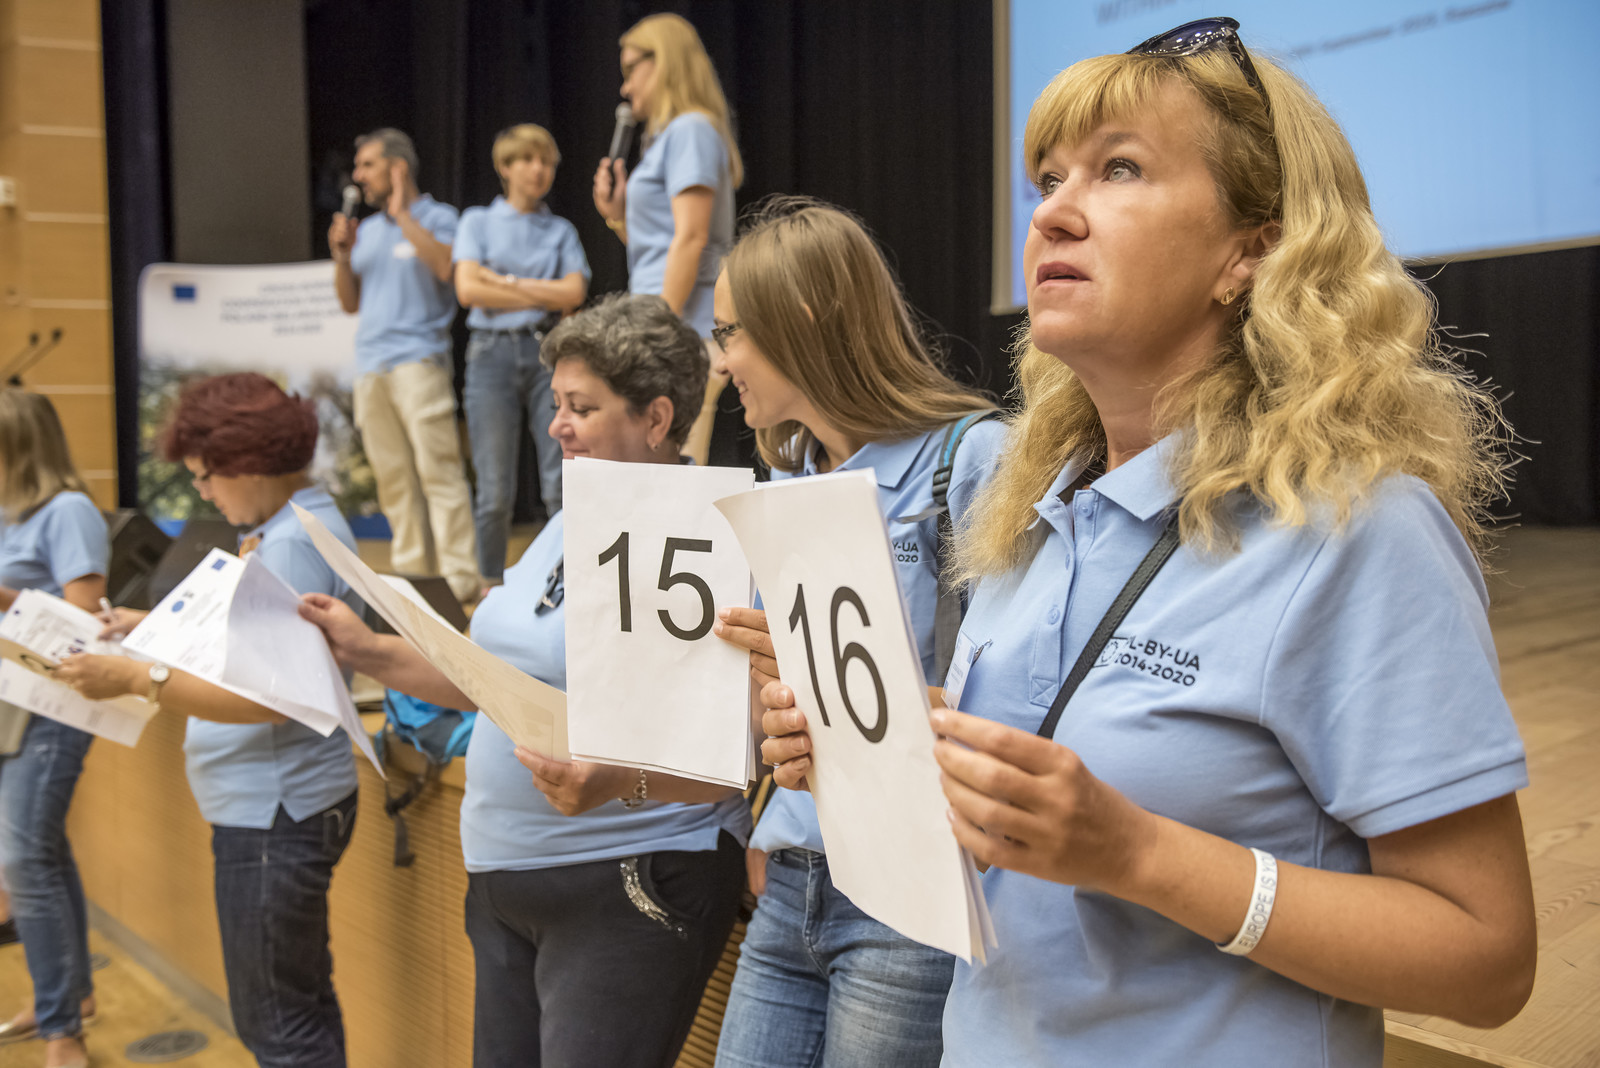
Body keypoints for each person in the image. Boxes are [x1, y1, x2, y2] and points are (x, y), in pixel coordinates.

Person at [758, 19, 1537, 1066]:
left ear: (1250, 252)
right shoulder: (1034, 517)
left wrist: (1139, 855)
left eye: (1119, 169)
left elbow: (1486, 959)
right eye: (1048, 180)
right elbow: (1028, 839)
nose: (1053, 212)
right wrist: (879, 750)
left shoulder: (1357, 529)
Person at [298, 293, 749, 1068]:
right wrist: (367, 650)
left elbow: (735, 754)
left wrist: (622, 784)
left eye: (582, 407)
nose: (556, 425)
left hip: (630, 879)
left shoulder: (709, 533)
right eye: (556, 404)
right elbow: (494, 685)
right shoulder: (565, 520)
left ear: (656, 418)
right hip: (503, 881)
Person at [706, 200, 1003, 1068]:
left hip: (909, 888)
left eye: (729, 333)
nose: (720, 362)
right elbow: (789, 705)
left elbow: (1022, 703)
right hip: (789, 877)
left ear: (801, 318)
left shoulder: (973, 459)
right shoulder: (787, 477)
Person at [55, 373, 360, 1068]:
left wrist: (138, 678)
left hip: (275, 811)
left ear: (247, 463)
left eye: (205, 475)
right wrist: (145, 624)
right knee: (298, 1007)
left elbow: (277, 697)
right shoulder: (290, 525)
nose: (202, 492)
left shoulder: (290, 544)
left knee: (277, 1027)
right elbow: (248, 644)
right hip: (276, 805)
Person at [0, 389, 106, 1068]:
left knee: (25, 859)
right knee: (40, 852)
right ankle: (67, 998)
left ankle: (62, 1030)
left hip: (49, 709)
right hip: (9, 706)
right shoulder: (8, 513)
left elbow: (84, 624)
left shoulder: (68, 512)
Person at [329, 126, 480, 602]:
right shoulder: (367, 232)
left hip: (419, 361)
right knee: (393, 478)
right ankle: (414, 575)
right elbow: (349, 303)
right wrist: (341, 258)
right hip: (370, 366)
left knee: (439, 470)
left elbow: (447, 268)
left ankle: (460, 577)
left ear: (398, 168)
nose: (358, 177)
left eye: (367, 165)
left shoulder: (441, 217)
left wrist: (404, 217)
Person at [592, 12, 742, 466]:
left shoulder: (691, 129)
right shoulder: (671, 137)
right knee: (660, 470)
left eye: (630, 69)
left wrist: (656, 334)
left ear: (663, 61)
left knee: (677, 472)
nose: (625, 88)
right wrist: (617, 218)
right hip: (671, 323)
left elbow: (692, 238)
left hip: (683, 331)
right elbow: (660, 247)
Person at [454, 123, 590, 585]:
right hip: (489, 355)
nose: (539, 170)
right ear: (505, 167)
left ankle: (568, 581)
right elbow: (469, 289)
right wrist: (542, 291)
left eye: (547, 161)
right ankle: (489, 587)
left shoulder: (560, 230)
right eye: (528, 160)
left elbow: (573, 293)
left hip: (546, 351)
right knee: (494, 491)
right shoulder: (477, 221)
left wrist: (503, 282)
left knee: (559, 481)